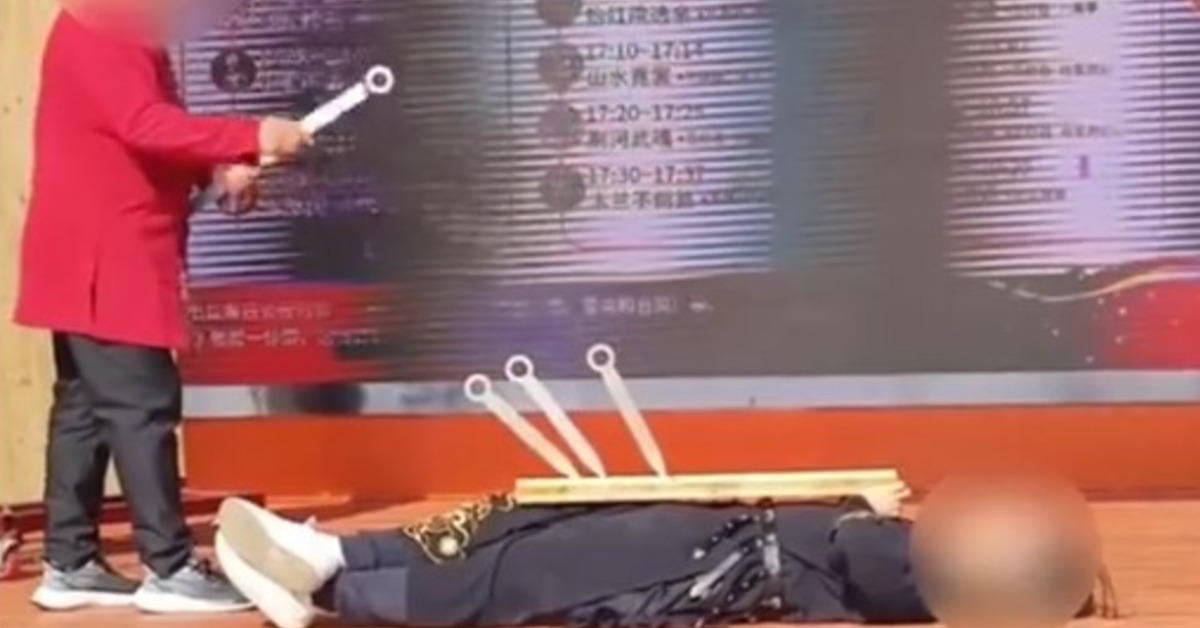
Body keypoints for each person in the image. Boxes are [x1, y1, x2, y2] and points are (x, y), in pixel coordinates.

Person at [14, 0, 312, 614]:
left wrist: (217, 168)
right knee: (141, 403)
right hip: (108, 251)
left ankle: (70, 562)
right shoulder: (102, 24)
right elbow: (142, 123)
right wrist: (251, 135)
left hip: (91, 249)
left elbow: (148, 128)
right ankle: (170, 567)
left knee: (86, 409)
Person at [213, 488, 930, 628]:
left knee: (537, 571)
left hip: (721, 567)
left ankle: (328, 594)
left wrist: (862, 517)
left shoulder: (952, 574)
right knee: (523, 514)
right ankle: (334, 552)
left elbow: (863, 556)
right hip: (728, 535)